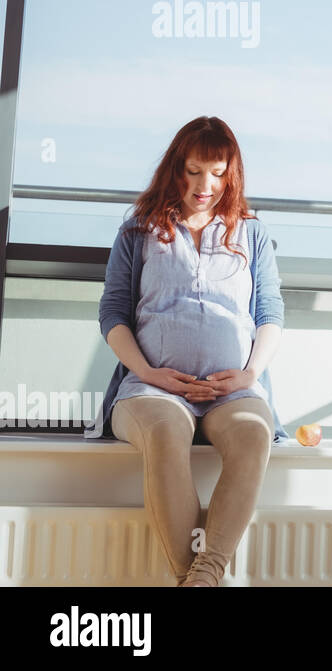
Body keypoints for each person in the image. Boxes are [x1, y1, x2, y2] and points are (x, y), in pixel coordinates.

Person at [95, 116, 289, 587]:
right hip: (151, 390)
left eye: (218, 173)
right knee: (165, 434)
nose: (206, 185)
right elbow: (113, 315)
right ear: (175, 169)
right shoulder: (138, 232)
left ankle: (202, 577)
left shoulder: (253, 235)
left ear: (231, 174)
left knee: (253, 437)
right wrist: (149, 371)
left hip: (232, 393)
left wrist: (249, 375)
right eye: (194, 170)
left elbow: (270, 312)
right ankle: (200, 581)